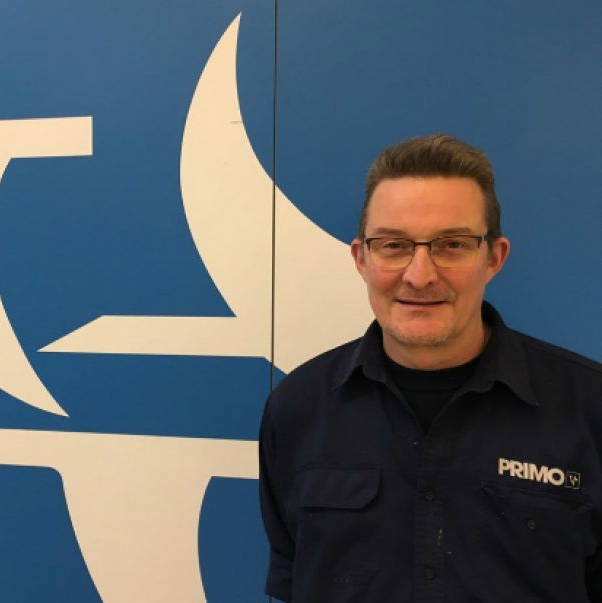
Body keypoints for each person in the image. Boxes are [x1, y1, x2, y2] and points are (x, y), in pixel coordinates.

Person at [258, 134, 602, 602]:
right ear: (362, 258)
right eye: (393, 245)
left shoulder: (589, 409)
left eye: (452, 244)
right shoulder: (297, 408)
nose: (420, 276)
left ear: (494, 258)